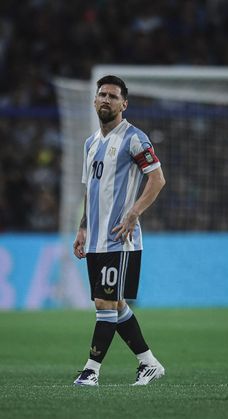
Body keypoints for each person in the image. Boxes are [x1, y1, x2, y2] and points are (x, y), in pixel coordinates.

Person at [73, 75, 166, 386]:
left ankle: (91, 371)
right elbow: (91, 190)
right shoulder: (90, 143)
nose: (106, 100)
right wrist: (83, 226)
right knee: (115, 304)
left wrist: (134, 213)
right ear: (94, 100)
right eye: (102, 94)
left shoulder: (134, 138)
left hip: (119, 239)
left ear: (124, 104)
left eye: (113, 96)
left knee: (105, 303)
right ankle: (148, 363)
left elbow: (157, 180)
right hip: (97, 240)